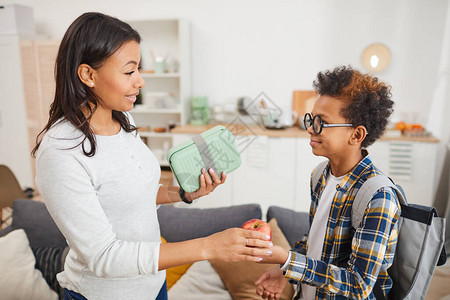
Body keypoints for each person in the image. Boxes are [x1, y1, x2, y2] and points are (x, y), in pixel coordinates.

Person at [32, 12, 273, 300]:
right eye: (129, 71)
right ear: (88, 75)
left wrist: (179, 194)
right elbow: (104, 256)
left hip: (153, 286)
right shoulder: (60, 152)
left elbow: (128, 194)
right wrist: (209, 246)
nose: (141, 81)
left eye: (139, 69)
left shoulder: (123, 121)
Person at [254, 66, 399, 299]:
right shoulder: (320, 175)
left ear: (356, 135)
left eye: (322, 122)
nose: (311, 128)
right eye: (311, 119)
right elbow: (317, 241)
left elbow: (359, 285)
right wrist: (285, 271)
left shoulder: (378, 196)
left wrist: (288, 260)